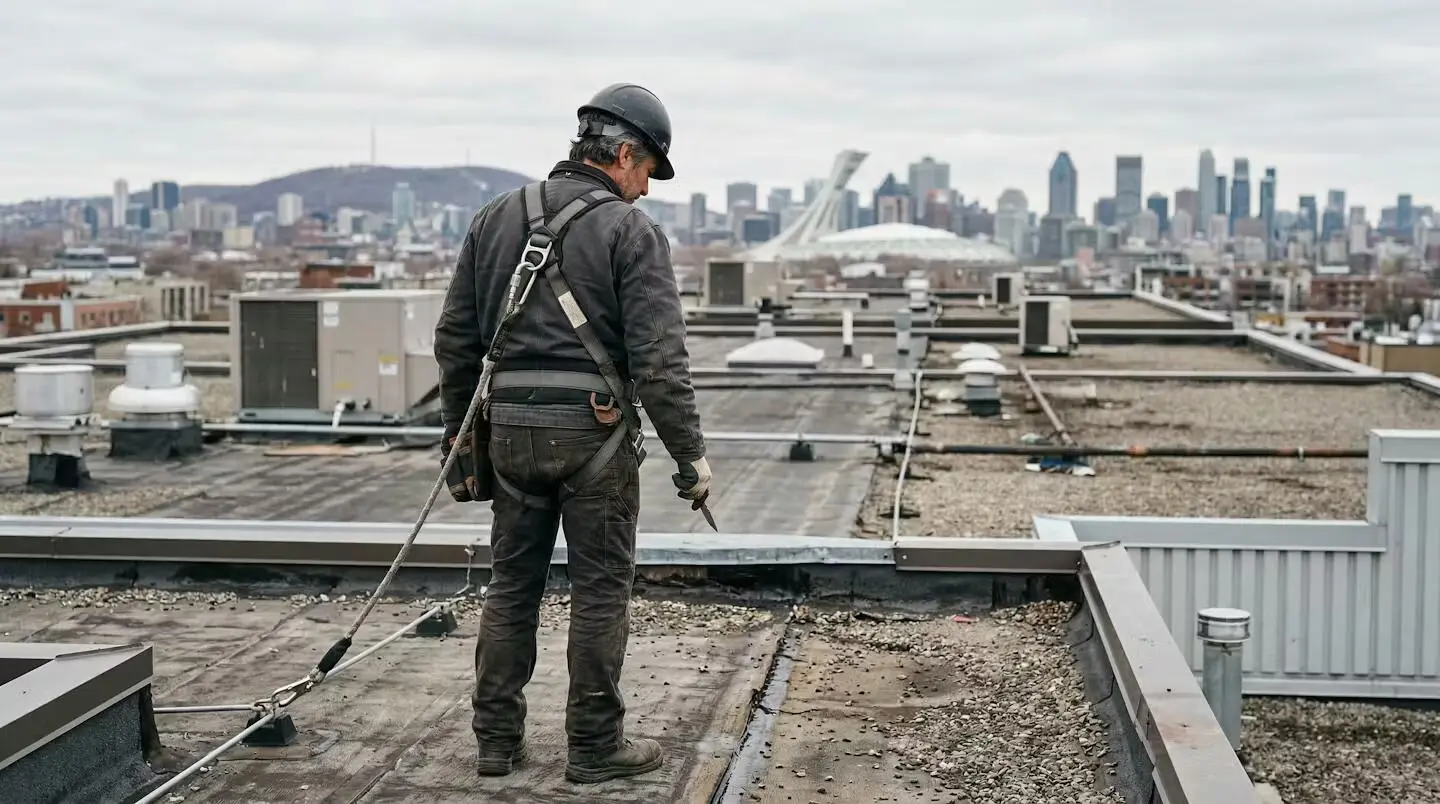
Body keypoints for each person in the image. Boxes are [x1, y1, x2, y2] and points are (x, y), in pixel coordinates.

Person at [433, 83, 711, 785]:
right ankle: (593, 745)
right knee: (598, 593)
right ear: (623, 154)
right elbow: (659, 364)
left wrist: (460, 444)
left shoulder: (494, 217)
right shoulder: (630, 232)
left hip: (511, 434)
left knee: (510, 588)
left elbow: (455, 341)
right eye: (646, 172)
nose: (644, 190)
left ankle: (496, 742)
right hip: (595, 437)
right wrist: (691, 457)